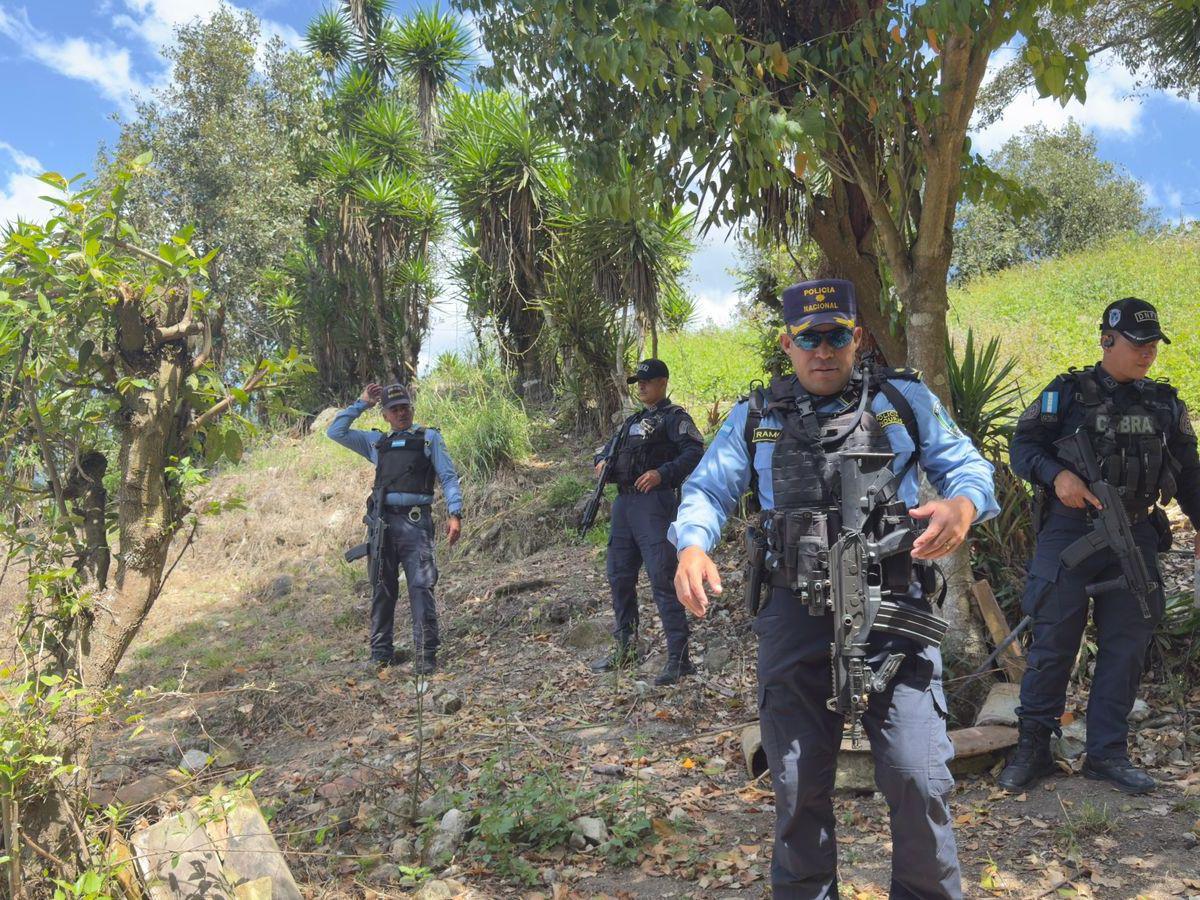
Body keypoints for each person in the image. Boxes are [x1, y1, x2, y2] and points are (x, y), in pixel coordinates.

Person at [670, 278, 999, 899]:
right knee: (796, 782)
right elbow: (707, 490)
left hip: (893, 610)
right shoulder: (757, 416)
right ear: (787, 344)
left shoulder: (903, 401)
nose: (823, 349)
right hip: (795, 612)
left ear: (857, 338)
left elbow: (969, 467)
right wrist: (692, 544)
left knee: (918, 774)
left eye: (836, 335)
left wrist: (962, 505)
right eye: (808, 337)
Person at [997, 297, 1200, 795]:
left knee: (1125, 648)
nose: (1148, 353)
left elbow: (1191, 474)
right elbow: (1023, 449)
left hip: (1134, 533)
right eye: (1138, 343)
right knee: (1052, 644)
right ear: (1107, 340)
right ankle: (1033, 750)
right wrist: (1058, 474)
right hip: (1070, 530)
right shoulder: (1065, 394)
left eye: (1154, 344)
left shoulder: (1165, 404)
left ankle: (1107, 753)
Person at [328, 382, 463, 674]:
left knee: (421, 587)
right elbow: (335, 432)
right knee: (382, 588)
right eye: (394, 409)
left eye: (405, 407)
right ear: (385, 414)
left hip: (416, 523)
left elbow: (449, 478)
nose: (401, 413)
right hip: (383, 525)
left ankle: (425, 655)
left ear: (411, 409)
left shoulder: (429, 438)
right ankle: (380, 655)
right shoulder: (377, 443)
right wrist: (361, 402)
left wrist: (455, 512)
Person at [590, 359, 705, 685]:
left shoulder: (674, 418)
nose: (641, 386)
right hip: (625, 506)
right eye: (637, 382)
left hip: (654, 504)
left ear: (663, 382)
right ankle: (625, 648)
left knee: (663, 577)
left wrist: (661, 473)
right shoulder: (631, 422)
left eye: (647, 381)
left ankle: (679, 658)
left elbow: (695, 451)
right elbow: (604, 452)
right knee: (619, 576)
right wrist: (600, 464)